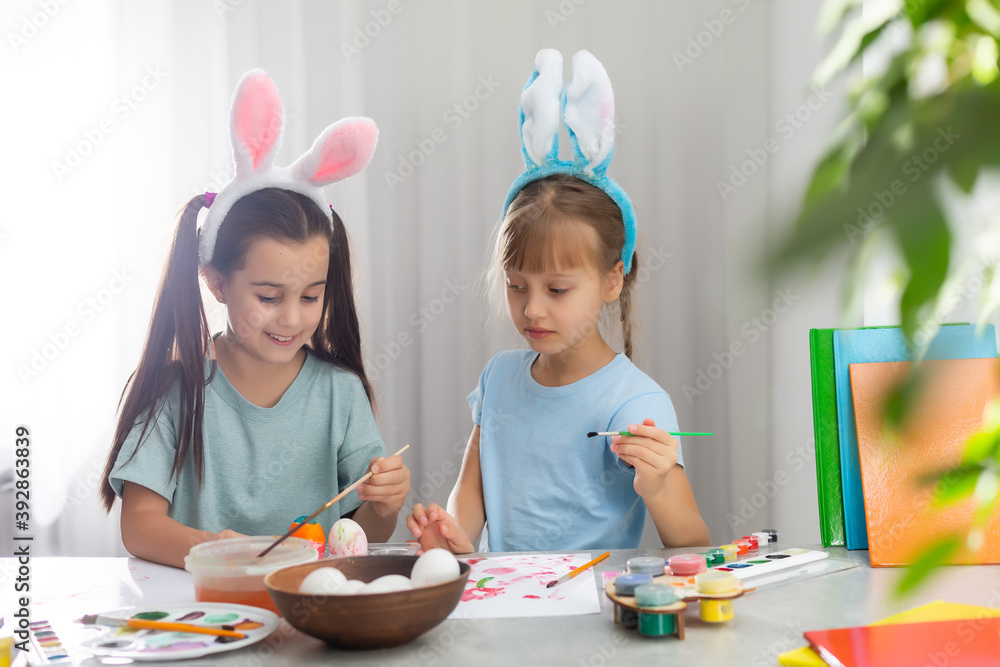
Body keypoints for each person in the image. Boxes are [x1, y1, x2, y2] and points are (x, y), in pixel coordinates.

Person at [99, 70, 410, 568]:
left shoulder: (339, 393)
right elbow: (139, 526)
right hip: (205, 603)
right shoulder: (174, 389)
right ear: (217, 283)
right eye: (268, 296)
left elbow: (359, 534)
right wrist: (223, 551)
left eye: (311, 296)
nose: (291, 317)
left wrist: (384, 505)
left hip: (310, 606)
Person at [407, 50, 709, 553]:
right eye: (516, 285)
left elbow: (695, 543)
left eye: (557, 289)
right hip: (503, 599)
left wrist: (655, 486)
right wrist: (453, 535)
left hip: (592, 602)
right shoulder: (498, 379)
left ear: (612, 280)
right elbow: (471, 495)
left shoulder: (634, 403)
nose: (532, 309)